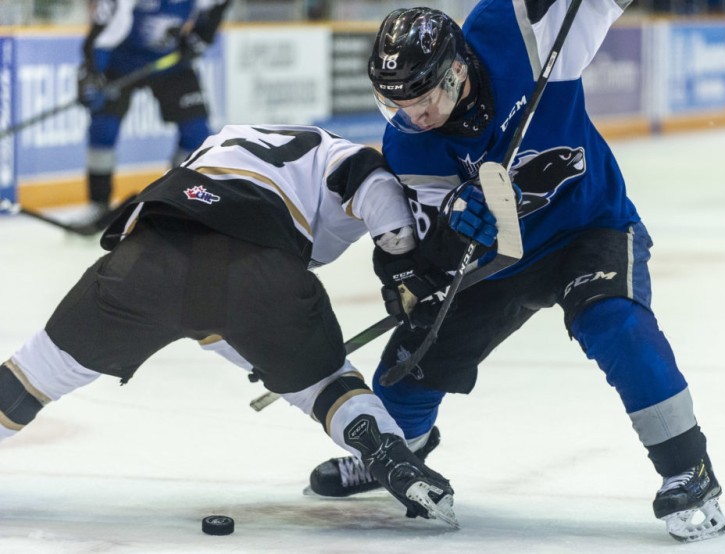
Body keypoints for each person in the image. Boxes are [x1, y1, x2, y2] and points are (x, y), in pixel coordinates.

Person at [306, 1, 725, 543]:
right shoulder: (410, 145)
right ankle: (397, 453)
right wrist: (453, 229)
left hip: (588, 226)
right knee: (414, 360)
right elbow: (425, 253)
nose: (414, 116)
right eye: (398, 104)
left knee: (615, 324)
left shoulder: (523, 31)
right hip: (499, 259)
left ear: (456, 70)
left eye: (423, 98)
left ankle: (688, 468)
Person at [0, 124, 457, 527]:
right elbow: (369, 180)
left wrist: (248, 350)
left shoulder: (232, 139)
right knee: (328, 385)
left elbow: (201, 292)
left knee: (30, 377)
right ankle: (393, 456)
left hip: (145, 258)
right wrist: (405, 268)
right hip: (262, 274)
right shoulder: (338, 153)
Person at [74, 0, 232, 233]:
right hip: (121, 60)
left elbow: (217, 6)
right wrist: (92, 72)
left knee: (196, 131)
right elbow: (103, 32)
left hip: (170, 62)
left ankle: (179, 200)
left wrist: (201, 36)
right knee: (103, 127)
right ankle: (98, 204)